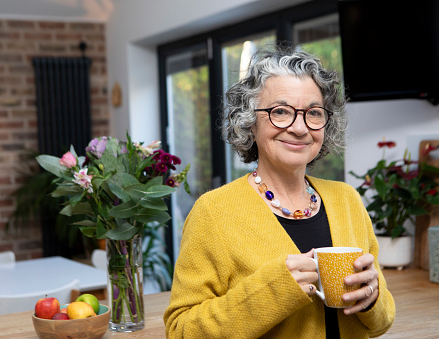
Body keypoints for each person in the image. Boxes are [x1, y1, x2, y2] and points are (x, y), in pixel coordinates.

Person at [163, 45, 395, 338]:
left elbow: (383, 321)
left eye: (313, 113)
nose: (300, 128)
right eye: (281, 111)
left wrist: (372, 298)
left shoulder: (346, 199)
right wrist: (274, 289)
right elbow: (181, 330)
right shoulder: (213, 213)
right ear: (249, 121)